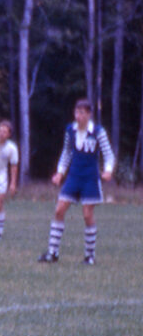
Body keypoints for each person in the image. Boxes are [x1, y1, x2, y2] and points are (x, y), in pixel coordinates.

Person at [37, 99, 115, 265]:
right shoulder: (70, 130)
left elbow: (108, 155)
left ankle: (89, 256)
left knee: (87, 215)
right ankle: (52, 253)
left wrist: (108, 170)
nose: (78, 116)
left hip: (90, 178)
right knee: (59, 210)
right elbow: (66, 153)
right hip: (73, 177)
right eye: (76, 112)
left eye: (82, 113)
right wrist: (60, 173)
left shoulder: (98, 132)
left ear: (89, 114)